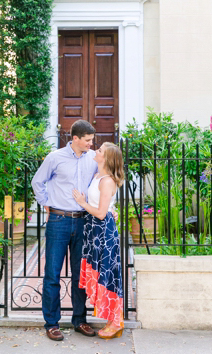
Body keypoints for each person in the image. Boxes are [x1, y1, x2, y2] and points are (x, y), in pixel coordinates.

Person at [31, 120, 98, 342]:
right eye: (88, 140)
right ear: (75, 139)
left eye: (92, 140)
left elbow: (103, 183)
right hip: (58, 220)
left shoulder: (93, 158)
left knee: (81, 275)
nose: (91, 143)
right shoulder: (55, 158)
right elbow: (37, 182)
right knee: (52, 273)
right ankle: (52, 324)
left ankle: (80, 320)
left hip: (82, 222)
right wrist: (47, 204)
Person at [72, 142, 125, 340]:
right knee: (101, 272)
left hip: (103, 232)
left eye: (100, 150)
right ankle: (112, 320)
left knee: (107, 274)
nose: (96, 151)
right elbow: (106, 206)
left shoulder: (107, 181)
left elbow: (102, 213)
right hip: (93, 231)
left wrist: (83, 203)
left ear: (107, 158)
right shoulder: (97, 175)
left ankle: (116, 322)